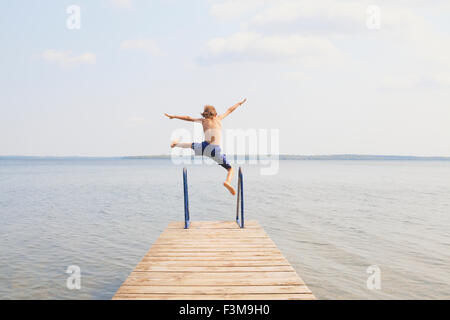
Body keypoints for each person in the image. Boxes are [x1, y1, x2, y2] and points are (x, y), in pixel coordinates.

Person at [165, 98, 247, 195]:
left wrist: (174, 116)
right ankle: (227, 182)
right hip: (215, 150)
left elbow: (188, 117)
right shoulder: (219, 119)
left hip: (204, 147)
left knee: (191, 145)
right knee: (230, 169)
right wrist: (239, 103)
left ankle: (176, 144)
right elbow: (230, 110)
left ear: (204, 114)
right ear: (215, 114)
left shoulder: (203, 121)